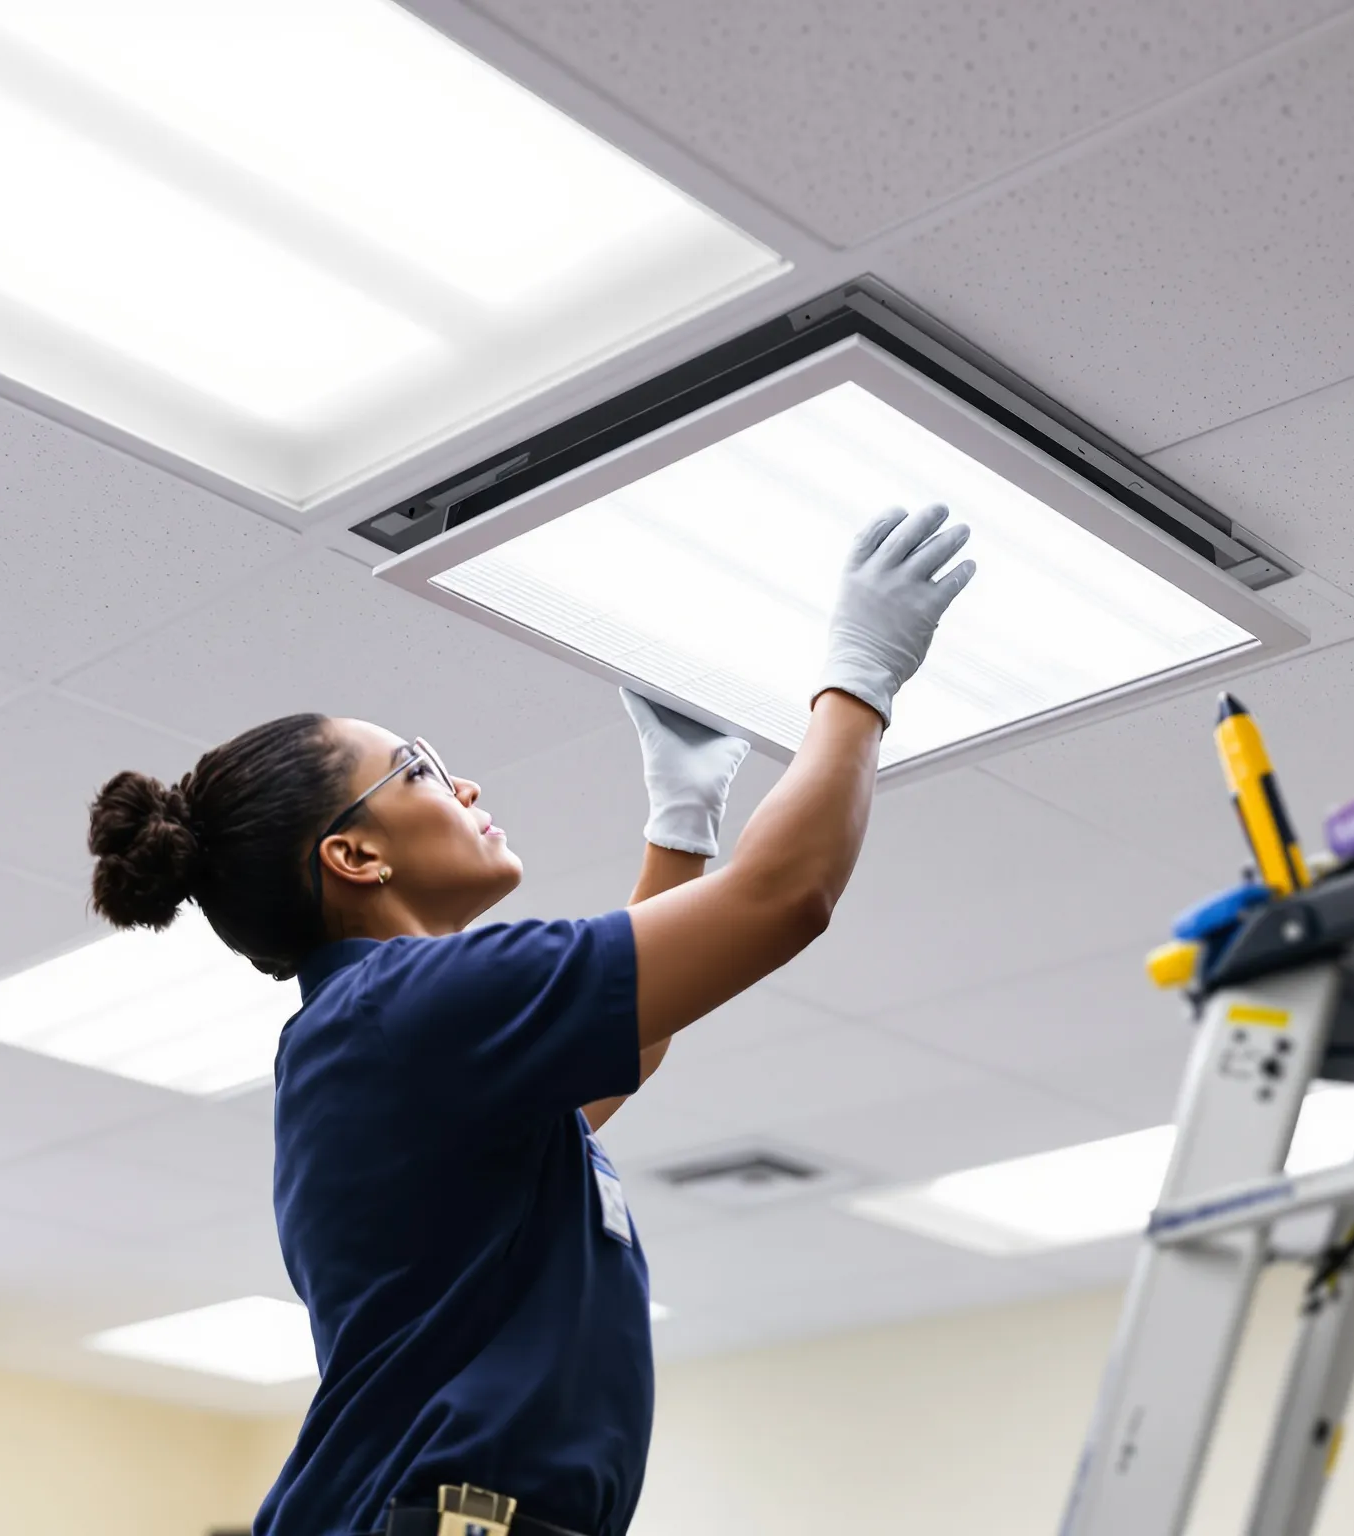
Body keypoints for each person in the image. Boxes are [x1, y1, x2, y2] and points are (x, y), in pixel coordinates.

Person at [84, 506, 976, 1536]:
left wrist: (678, 827)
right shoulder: (404, 1008)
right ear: (355, 856)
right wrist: (858, 681)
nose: (461, 782)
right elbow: (782, 900)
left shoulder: (385, 1029)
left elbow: (609, 1063)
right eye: (416, 767)